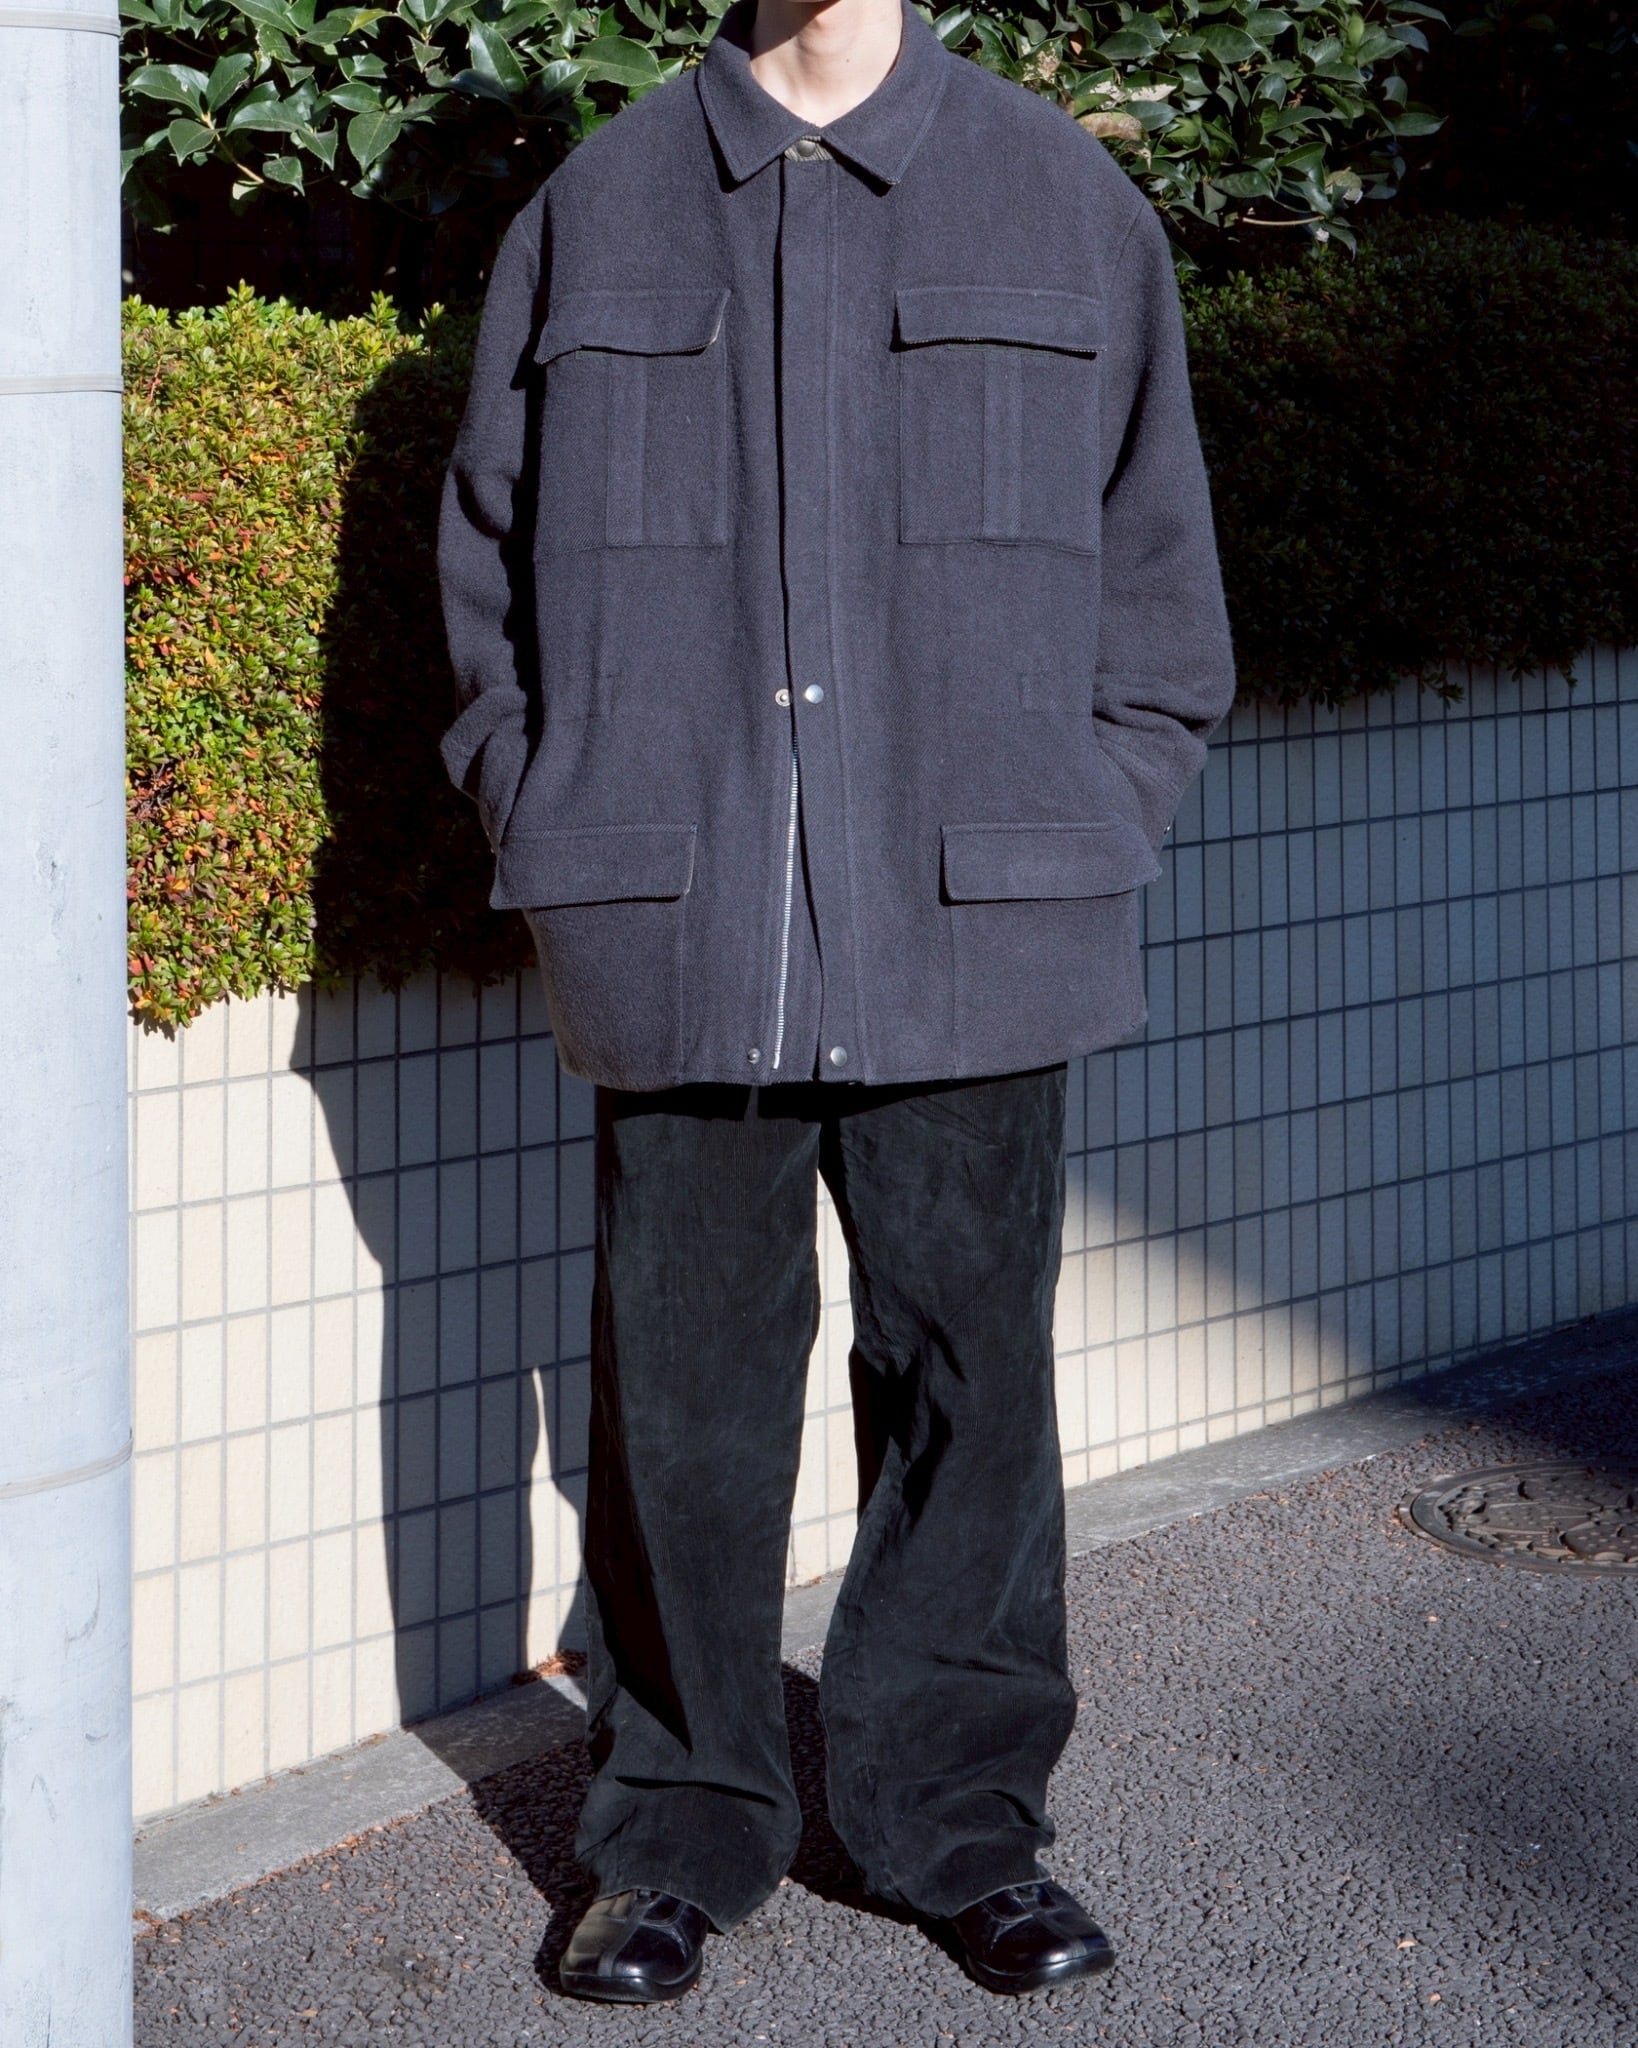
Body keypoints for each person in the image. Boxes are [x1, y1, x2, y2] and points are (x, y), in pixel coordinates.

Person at [436, 0, 1236, 2006]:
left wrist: (1093, 807)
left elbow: (1157, 567)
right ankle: (672, 1834)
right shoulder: (603, 204)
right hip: (681, 921)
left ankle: (957, 1827)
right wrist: (550, 804)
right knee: (682, 1414)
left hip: (980, 918)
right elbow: (487, 570)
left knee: (973, 1393)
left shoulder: (1060, 198)